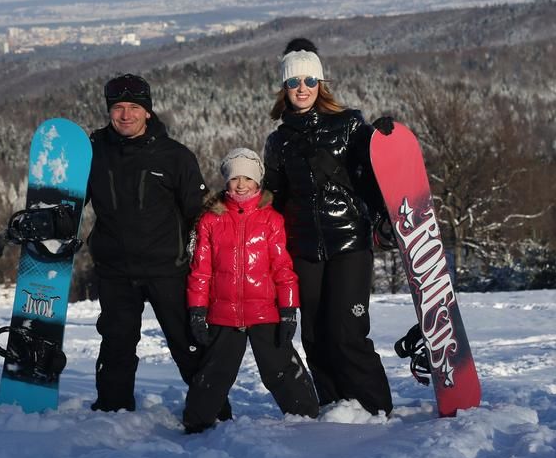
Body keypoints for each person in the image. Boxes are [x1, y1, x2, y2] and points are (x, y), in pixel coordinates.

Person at [263, 39, 395, 416]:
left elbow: (370, 173)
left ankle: (376, 408)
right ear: (284, 90)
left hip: (349, 241)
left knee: (347, 332)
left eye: (309, 81)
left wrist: (381, 137)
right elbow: (274, 196)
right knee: (315, 336)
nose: (301, 88)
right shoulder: (279, 141)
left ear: (321, 85)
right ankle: (336, 405)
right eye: (293, 83)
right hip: (303, 247)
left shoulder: (349, 125)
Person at [86, 73, 226, 416]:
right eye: (118, 107)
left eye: (134, 107)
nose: (126, 115)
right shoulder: (93, 153)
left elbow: (200, 213)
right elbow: (72, 201)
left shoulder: (175, 157)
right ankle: (112, 413)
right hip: (115, 269)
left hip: (168, 269)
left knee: (188, 344)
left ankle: (213, 412)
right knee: (117, 344)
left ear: (148, 111)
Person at [183, 148, 320, 433]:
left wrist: (288, 310)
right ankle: (196, 424)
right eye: (235, 179)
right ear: (226, 182)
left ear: (259, 181)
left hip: (265, 311)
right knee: (215, 372)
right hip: (223, 312)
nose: (241, 185)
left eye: (248, 178)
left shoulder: (271, 220)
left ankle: (307, 419)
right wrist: (197, 310)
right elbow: (201, 270)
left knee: (280, 369)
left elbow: (283, 268)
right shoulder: (211, 220)